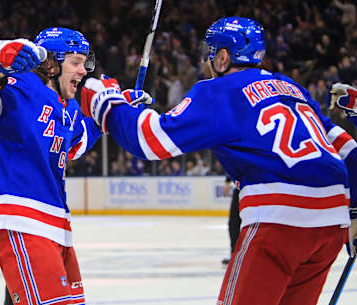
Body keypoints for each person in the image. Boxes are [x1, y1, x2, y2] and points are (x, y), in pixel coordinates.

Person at [81, 17, 357, 305]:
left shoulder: (219, 90)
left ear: (223, 57)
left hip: (279, 219)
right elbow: (349, 149)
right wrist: (356, 210)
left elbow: (151, 141)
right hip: (332, 221)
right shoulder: (292, 88)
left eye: (210, 52)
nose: (206, 61)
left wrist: (107, 102)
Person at [0, 27, 104, 305]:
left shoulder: (70, 106)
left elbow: (76, 144)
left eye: (86, 63)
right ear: (50, 64)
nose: (83, 70)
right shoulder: (22, 84)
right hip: (21, 217)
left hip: (55, 225)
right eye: (75, 62)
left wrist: (112, 112)